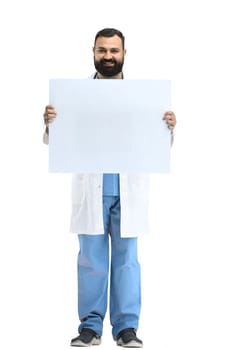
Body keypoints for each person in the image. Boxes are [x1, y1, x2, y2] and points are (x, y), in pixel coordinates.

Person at [43, 28, 176, 348]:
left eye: (114, 50)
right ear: (93, 51)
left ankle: (125, 327)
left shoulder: (143, 98)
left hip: (128, 188)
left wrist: (167, 128)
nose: (108, 56)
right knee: (91, 259)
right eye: (102, 50)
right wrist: (51, 123)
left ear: (124, 53)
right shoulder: (73, 98)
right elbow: (58, 143)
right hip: (92, 189)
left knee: (127, 260)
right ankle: (90, 326)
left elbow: (154, 146)